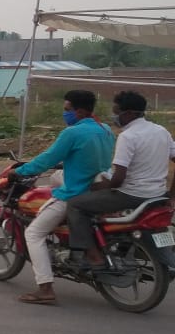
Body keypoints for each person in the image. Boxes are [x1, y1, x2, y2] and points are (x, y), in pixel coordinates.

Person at [10, 90, 114, 305]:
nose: (64, 113)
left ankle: (45, 288)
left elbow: (48, 158)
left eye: (67, 110)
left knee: (33, 233)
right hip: (99, 189)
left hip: (76, 193)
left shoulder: (72, 133)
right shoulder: (105, 130)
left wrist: (20, 171)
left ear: (80, 111)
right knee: (56, 179)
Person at [67, 90, 175, 269]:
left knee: (76, 205)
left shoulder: (128, 136)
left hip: (131, 195)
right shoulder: (160, 131)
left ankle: (93, 256)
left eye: (117, 112)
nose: (114, 116)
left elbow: (118, 179)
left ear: (130, 113)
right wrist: (171, 194)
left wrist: (102, 186)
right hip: (157, 195)